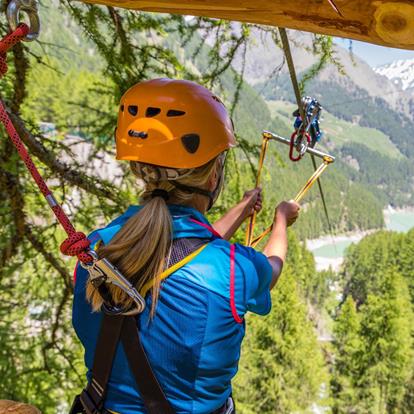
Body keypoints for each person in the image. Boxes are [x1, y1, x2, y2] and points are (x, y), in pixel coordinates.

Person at [72, 78, 300, 414]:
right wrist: (281, 219)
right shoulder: (232, 270)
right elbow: (272, 266)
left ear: (141, 169)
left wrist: (240, 209)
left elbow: (175, 250)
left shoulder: (94, 250)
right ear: (212, 177)